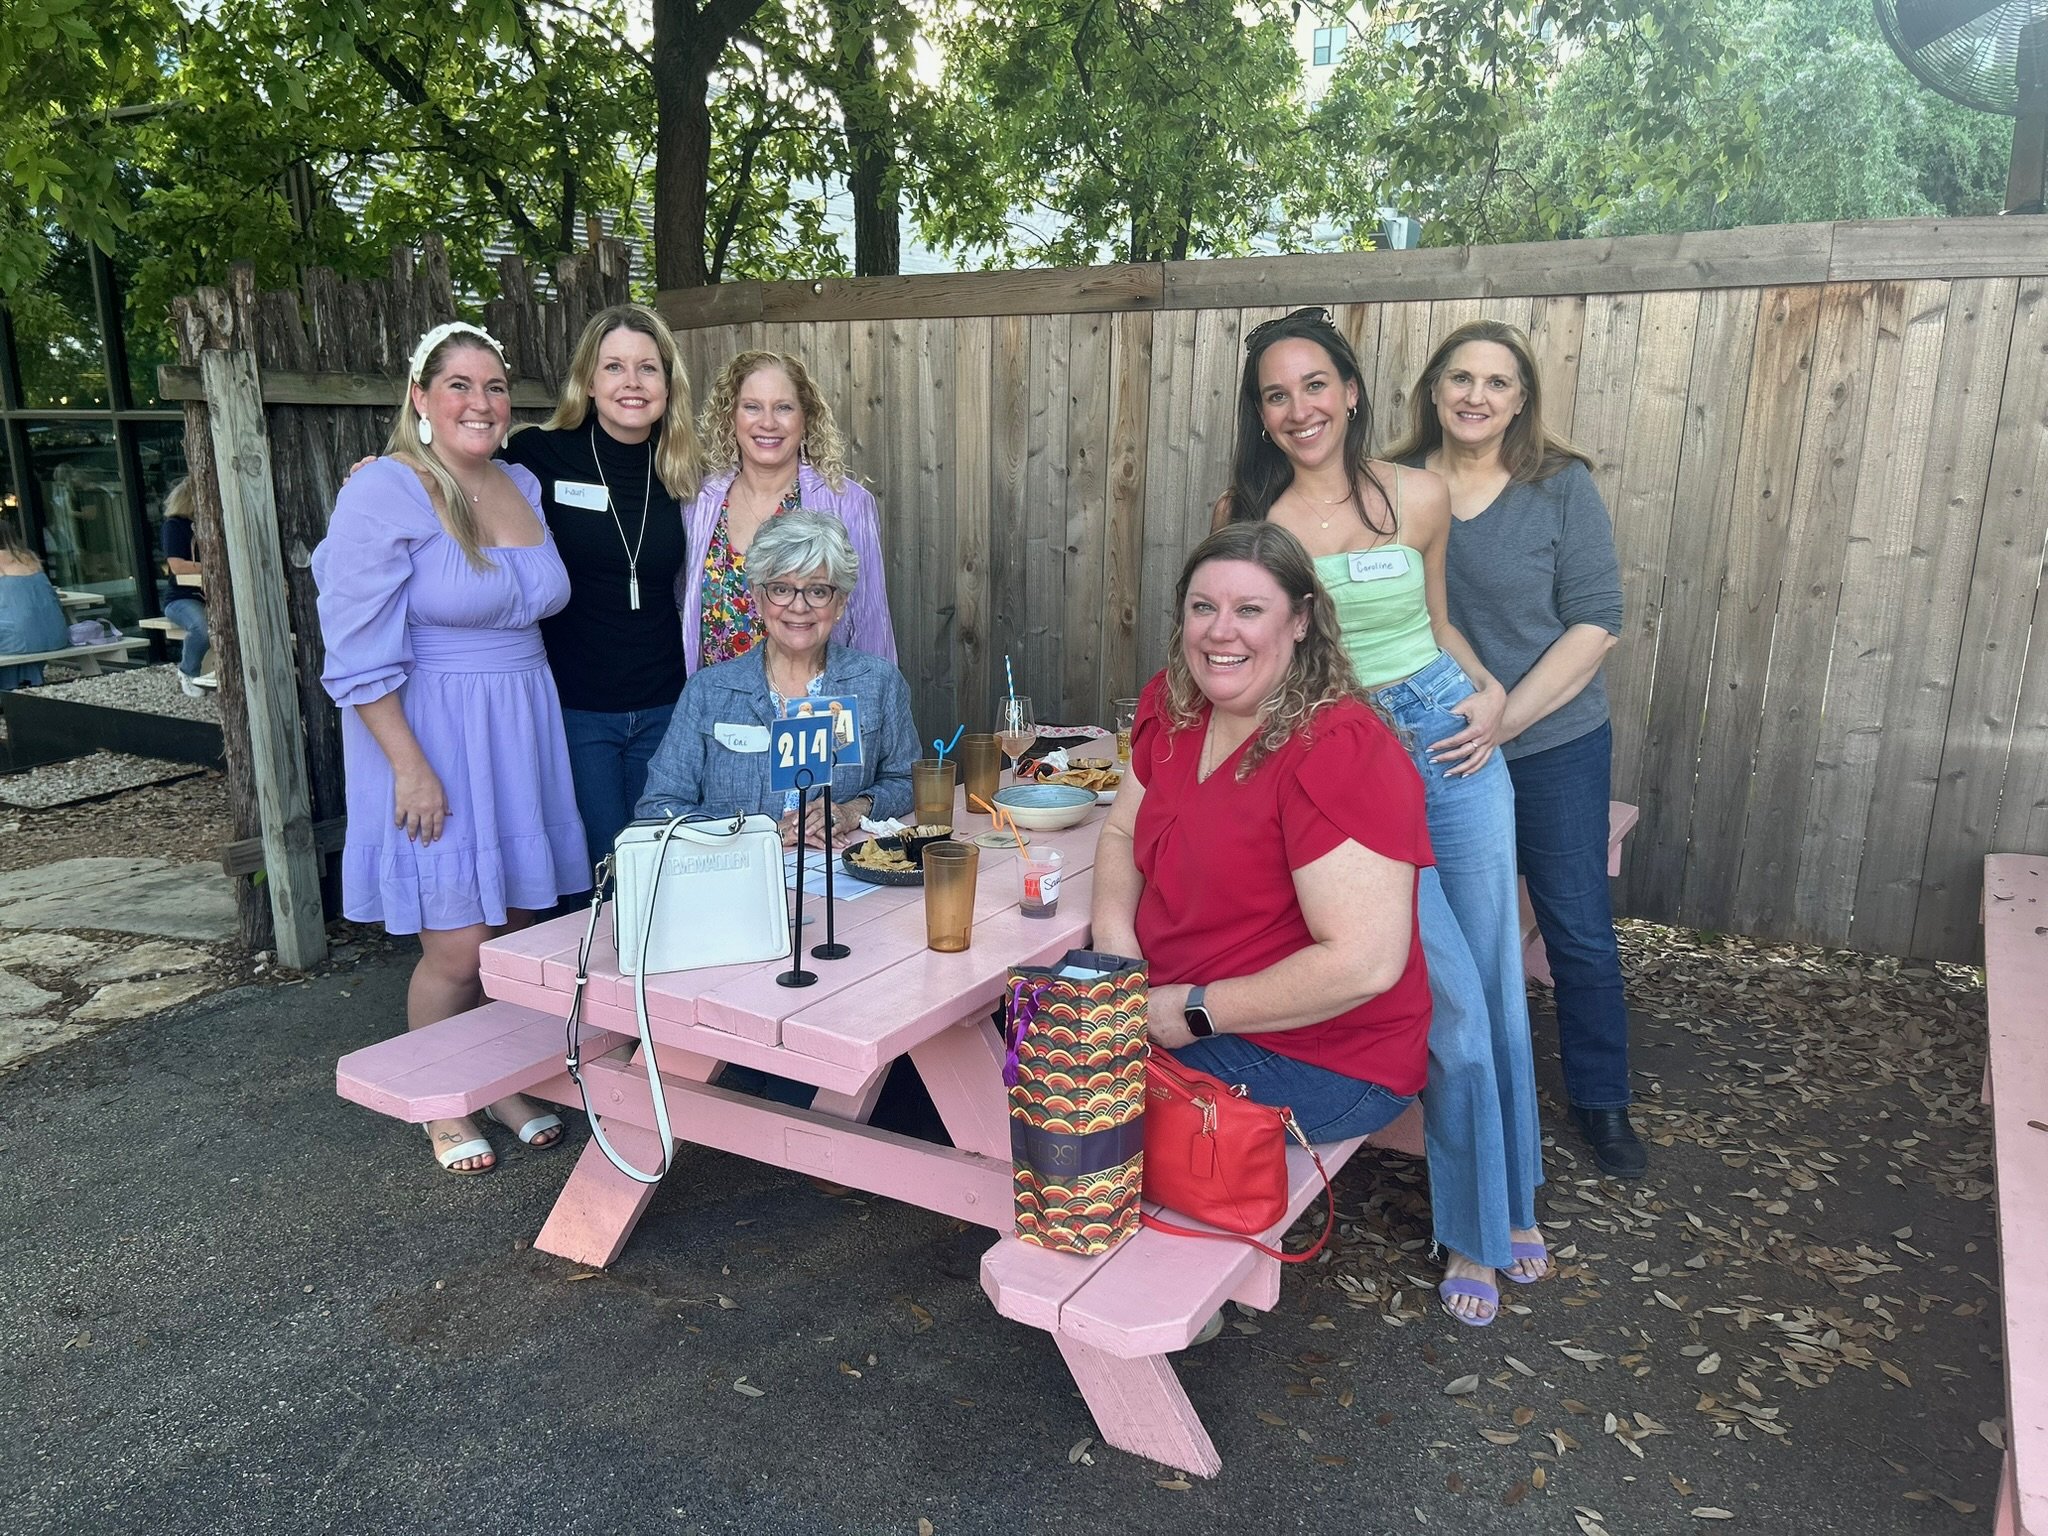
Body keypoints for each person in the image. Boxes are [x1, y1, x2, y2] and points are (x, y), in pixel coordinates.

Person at [1218, 306, 1543, 1325]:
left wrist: (1490, 698)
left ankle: (1497, 1212)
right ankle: (1481, 1221)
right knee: (1440, 992)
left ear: (1351, 391)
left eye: (1314, 384)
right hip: (1348, 758)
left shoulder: (1420, 494)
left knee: (1489, 979)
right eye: (1276, 393)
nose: (1298, 408)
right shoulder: (1254, 517)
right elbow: (1258, 658)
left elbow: (1438, 624)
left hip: (1449, 739)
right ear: (1261, 414)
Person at [313, 321, 589, 1177]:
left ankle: (496, 1079)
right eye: (460, 384)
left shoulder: (519, 481)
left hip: (520, 725)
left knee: (510, 931)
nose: (481, 401)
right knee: (457, 946)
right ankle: (441, 1100)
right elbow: (354, 647)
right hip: (433, 728)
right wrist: (409, 765)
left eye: (495, 385)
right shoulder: (387, 490)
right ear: (420, 398)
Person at [1090, 520, 1432, 1206]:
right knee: (1031, 1039)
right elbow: (1123, 831)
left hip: (1323, 1052)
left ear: (1302, 620)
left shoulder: (1339, 751)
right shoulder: (1175, 701)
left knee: (1070, 1092)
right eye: (1203, 607)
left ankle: (1155, 1282)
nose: (1221, 631)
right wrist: (1117, 954)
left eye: (1250, 610)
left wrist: (1193, 1012)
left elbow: (1363, 963)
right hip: (1170, 999)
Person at [1388, 319, 1639, 1179]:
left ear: (1521, 400)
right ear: (1432, 388)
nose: (1475, 396)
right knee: (1438, 932)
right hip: (1425, 749)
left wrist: (1505, 721)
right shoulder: (1389, 487)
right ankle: (1434, 1095)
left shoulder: (1560, 488)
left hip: (1551, 741)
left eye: (1497, 383)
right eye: (1460, 377)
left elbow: (1596, 623)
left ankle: (1604, 1102)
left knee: (1574, 926)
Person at [501, 303, 701, 868]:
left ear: (667, 382)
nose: (631, 383)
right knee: (601, 875)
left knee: (663, 869)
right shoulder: (537, 456)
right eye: (614, 367)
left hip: (668, 706)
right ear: (588, 380)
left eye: (648, 368)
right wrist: (392, 472)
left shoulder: (687, 470)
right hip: (577, 708)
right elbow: (453, 473)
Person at [638, 510, 916, 842]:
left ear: (840, 602)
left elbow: (907, 781)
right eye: (782, 589)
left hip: (841, 879)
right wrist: (760, 833)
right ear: (757, 597)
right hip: (737, 877)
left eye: (817, 591)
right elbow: (659, 807)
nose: (799, 607)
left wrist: (853, 809)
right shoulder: (708, 692)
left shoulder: (877, 682)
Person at [683, 350, 896, 672]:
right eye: (752, 407)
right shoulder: (698, 503)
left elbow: (871, 624)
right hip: (719, 712)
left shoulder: (847, 503)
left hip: (814, 713)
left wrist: (874, 708)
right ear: (731, 417)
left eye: (783, 407)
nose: (767, 422)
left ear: (805, 417)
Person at [0, 510, 69, 690]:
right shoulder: (30, 558)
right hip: (56, 635)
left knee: (13, 630)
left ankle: (10, 689)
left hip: (21, 639)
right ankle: (24, 686)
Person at [157, 479, 214, 696]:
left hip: (207, 596)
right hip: (181, 598)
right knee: (201, 626)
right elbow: (177, 566)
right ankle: (188, 671)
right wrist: (212, 565)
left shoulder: (208, 525)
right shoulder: (175, 526)